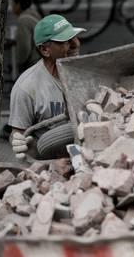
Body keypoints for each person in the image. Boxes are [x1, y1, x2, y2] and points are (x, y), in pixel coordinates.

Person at [9, 14, 85, 159]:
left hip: (88, 155)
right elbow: (18, 133)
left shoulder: (87, 74)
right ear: (45, 49)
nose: (75, 44)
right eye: (66, 41)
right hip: (51, 162)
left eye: (74, 36)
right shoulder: (26, 87)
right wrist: (20, 142)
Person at [11, 0, 42, 73]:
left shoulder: (23, 20)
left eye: (13, 4)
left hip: (31, 65)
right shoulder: (35, 17)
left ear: (18, 5)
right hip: (40, 62)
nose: (11, 7)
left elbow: (24, 46)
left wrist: (19, 63)